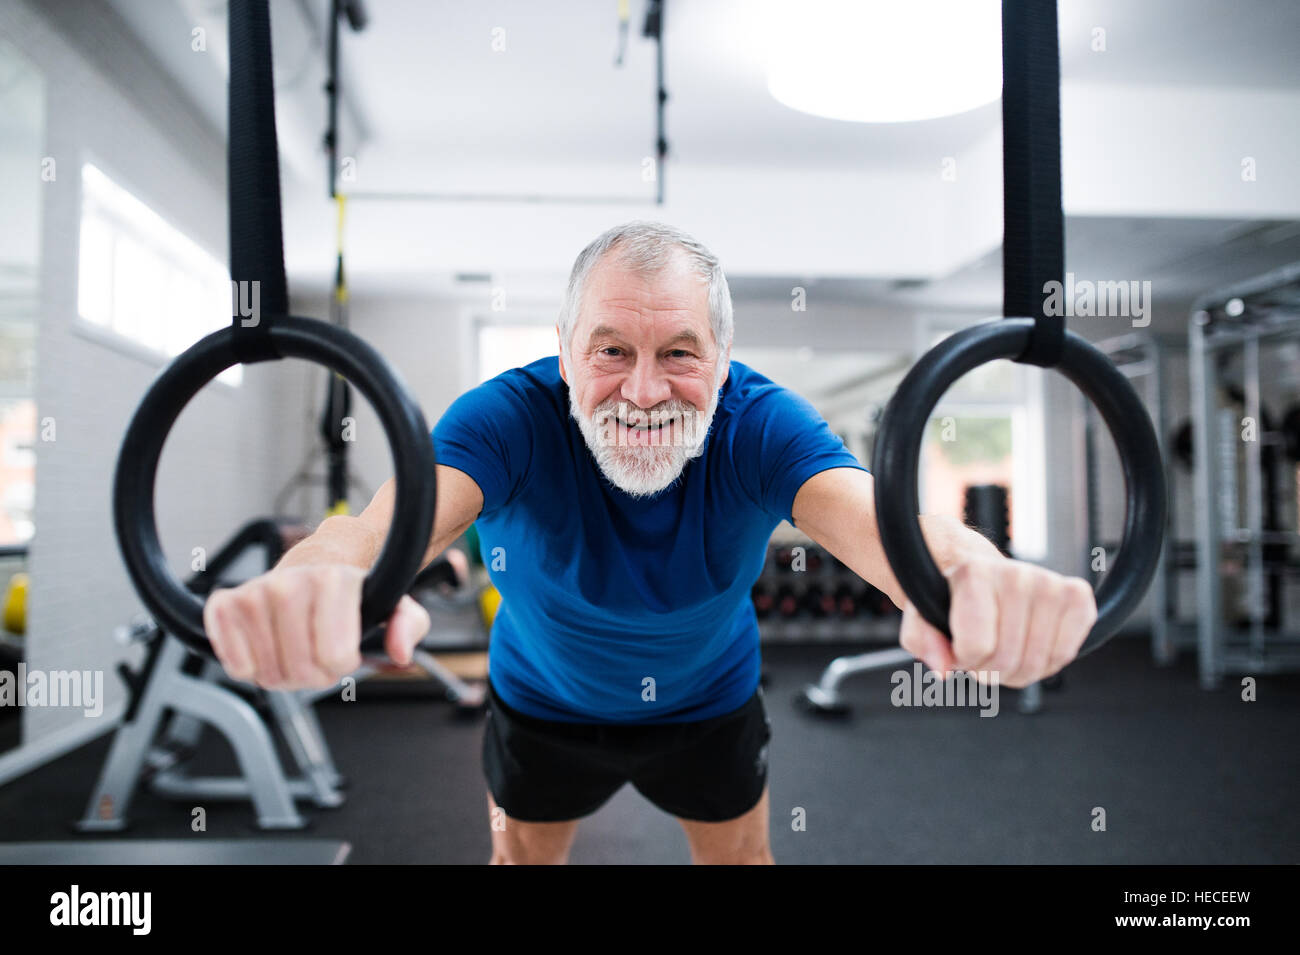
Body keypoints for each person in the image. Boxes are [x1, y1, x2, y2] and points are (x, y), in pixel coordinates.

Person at [204, 221, 1097, 864]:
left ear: (723, 353)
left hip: (707, 704)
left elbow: (883, 526)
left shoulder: (760, 422)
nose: (641, 392)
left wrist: (972, 570)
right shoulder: (506, 420)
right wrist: (324, 568)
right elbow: (376, 531)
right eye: (609, 352)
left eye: (678, 352)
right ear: (562, 352)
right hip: (541, 706)